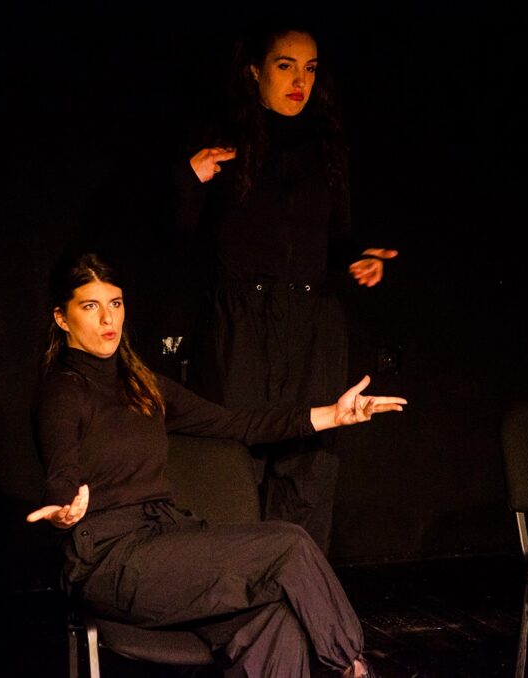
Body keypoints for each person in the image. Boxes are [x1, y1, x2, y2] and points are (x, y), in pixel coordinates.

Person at [27, 251, 407, 677]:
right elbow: (61, 473)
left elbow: (236, 423)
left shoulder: (142, 386)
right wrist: (63, 510)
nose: (107, 318)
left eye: (115, 303)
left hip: (164, 540)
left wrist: (333, 415)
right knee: (289, 544)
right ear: (62, 318)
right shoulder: (63, 392)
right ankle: (353, 668)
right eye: (90, 306)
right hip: (110, 559)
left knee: (273, 620)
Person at [169, 21, 399, 554]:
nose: (300, 81)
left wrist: (360, 258)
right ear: (255, 71)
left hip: (310, 323)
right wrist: (189, 180)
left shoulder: (326, 148)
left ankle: (293, 593)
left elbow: (334, 239)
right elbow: (173, 238)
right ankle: (227, 591)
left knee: (307, 469)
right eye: (285, 65)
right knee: (233, 464)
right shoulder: (223, 141)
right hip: (241, 324)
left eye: (310, 69)